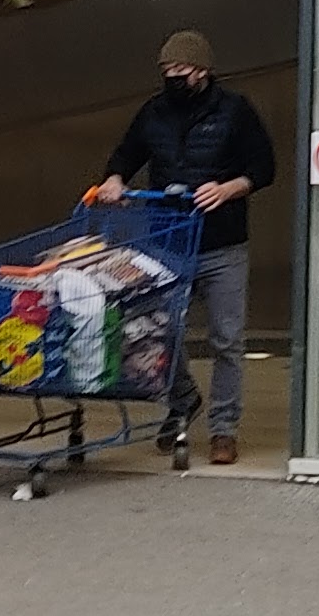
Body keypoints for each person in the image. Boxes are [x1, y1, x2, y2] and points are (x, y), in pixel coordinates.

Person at [98, 29, 276, 466]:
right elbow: (125, 155)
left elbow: (264, 167)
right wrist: (115, 179)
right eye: (167, 69)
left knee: (227, 340)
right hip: (169, 241)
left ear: (203, 70)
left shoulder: (235, 111)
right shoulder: (153, 112)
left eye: (181, 68)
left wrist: (230, 188)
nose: (173, 76)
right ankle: (183, 398)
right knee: (156, 329)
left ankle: (223, 429)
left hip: (223, 242)